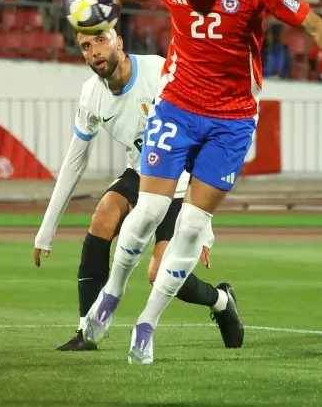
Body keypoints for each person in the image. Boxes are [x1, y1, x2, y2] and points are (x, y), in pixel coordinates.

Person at [35, 0, 322, 363]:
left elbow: (314, 25)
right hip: (178, 107)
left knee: (188, 229)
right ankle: (110, 296)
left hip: (232, 121)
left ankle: (146, 324)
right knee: (145, 211)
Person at [34, 29, 242, 352]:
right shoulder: (91, 94)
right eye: (86, 47)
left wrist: (203, 225)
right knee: (103, 215)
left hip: (180, 183)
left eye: (100, 41)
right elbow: (74, 162)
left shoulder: (159, 74)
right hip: (140, 176)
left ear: (118, 40)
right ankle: (86, 331)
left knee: (158, 273)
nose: (95, 52)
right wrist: (46, 232)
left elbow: (201, 139)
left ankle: (221, 301)